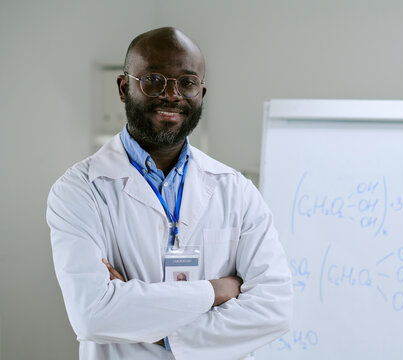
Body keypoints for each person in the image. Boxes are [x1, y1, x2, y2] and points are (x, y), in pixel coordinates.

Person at [46, 27, 292, 360]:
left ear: (201, 93)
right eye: (154, 80)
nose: (172, 95)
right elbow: (92, 315)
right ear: (124, 88)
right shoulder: (79, 191)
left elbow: (273, 309)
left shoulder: (236, 191)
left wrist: (156, 328)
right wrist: (217, 290)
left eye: (187, 82)